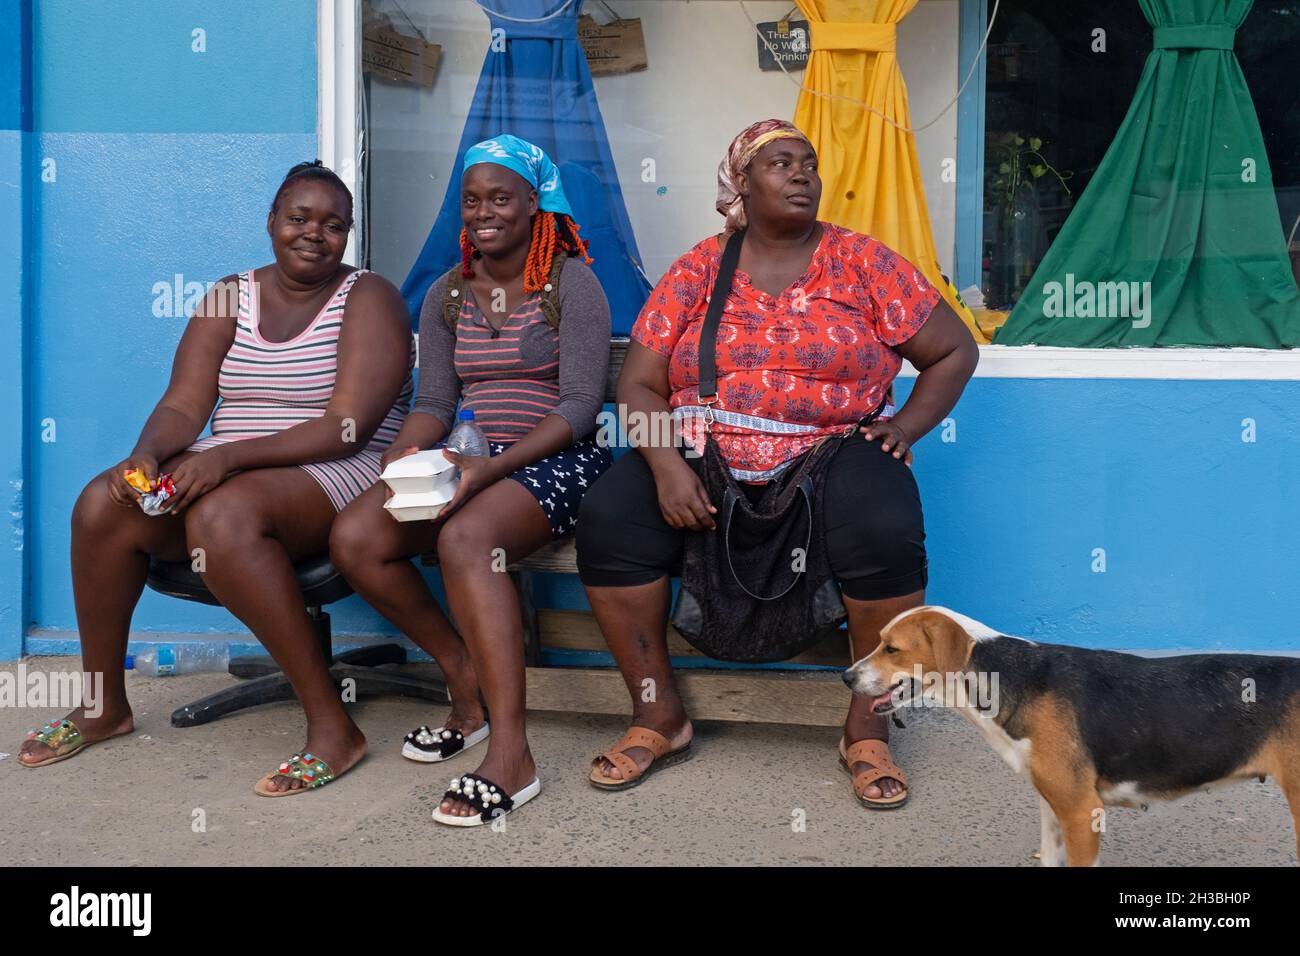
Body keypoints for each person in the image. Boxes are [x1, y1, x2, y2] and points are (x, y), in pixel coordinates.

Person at [576, 119, 978, 808]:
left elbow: (953, 350)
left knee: (885, 522)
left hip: (830, 449)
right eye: (780, 164)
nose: (801, 175)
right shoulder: (699, 267)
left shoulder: (862, 261)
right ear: (741, 184)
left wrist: (904, 427)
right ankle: (657, 716)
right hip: (703, 448)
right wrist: (668, 467)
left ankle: (867, 730)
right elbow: (637, 385)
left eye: (809, 164)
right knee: (612, 518)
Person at [18, 162, 414, 796]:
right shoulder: (230, 295)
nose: (314, 233)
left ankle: (333, 728)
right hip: (229, 464)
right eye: (298, 218)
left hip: (340, 466)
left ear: (348, 236)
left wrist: (225, 459)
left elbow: (350, 426)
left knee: (222, 515)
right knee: (101, 503)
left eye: (333, 224)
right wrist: (146, 455)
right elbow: (184, 404)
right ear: (271, 223)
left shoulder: (370, 297)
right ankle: (102, 707)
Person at [330, 135, 612, 825]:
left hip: (557, 462)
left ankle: (511, 755)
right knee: (357, 535)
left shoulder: (572, 282)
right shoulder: (447, 292)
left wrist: (490, 469)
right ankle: (463, 680)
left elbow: (579, 406)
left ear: (534, 205)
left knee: (464, 537)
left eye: (501, 197)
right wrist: (401, 457)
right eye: (472, 199)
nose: (484, 211)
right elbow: (433, 403)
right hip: (468, 458)